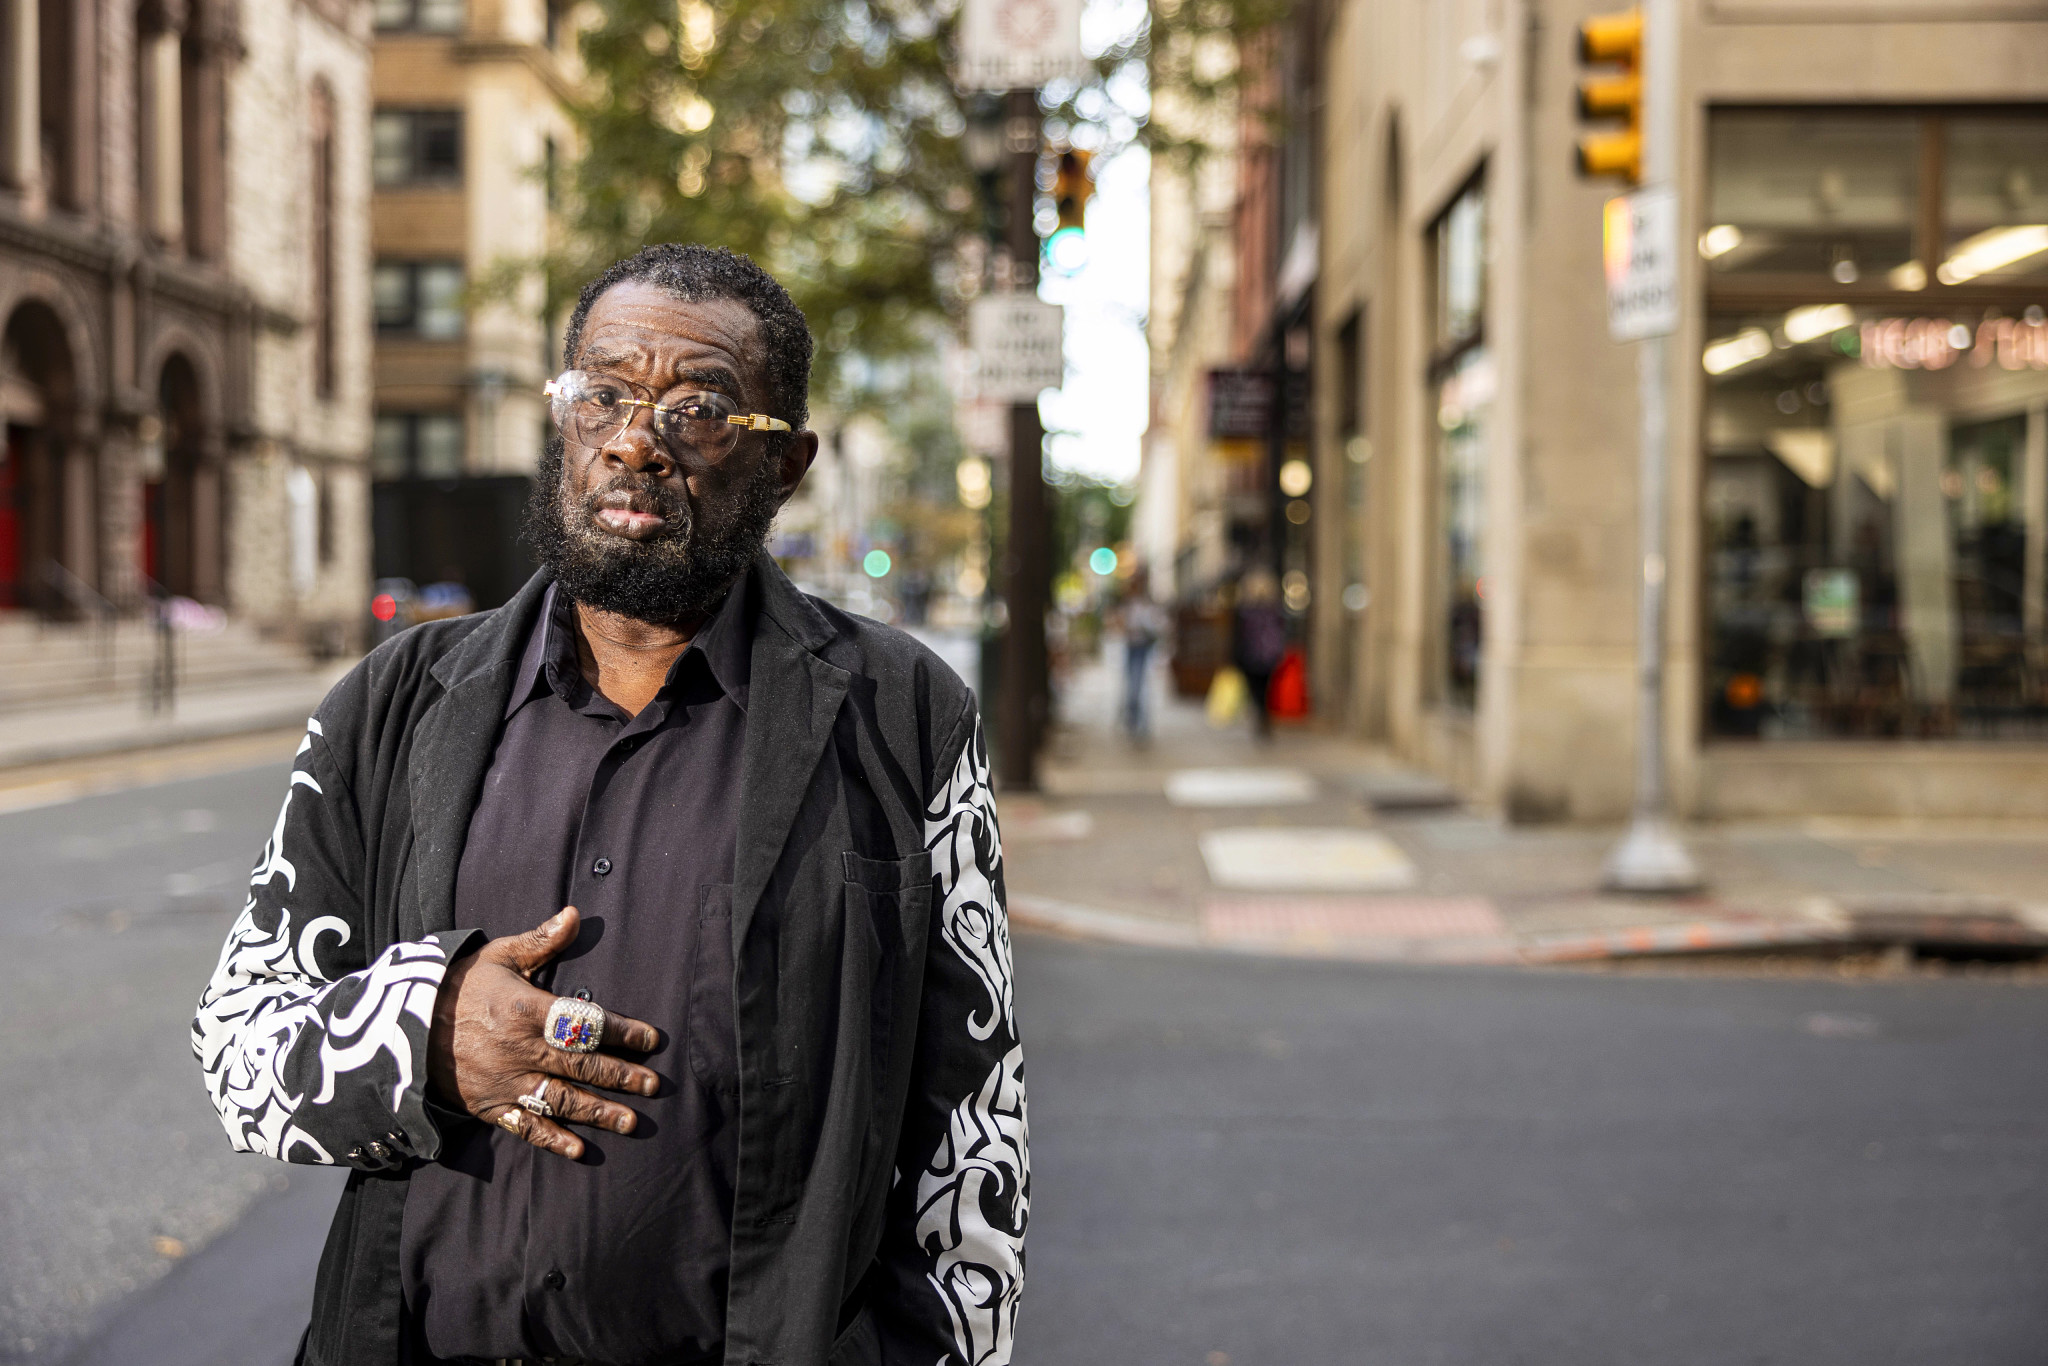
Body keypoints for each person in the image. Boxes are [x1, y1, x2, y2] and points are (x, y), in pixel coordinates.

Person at [192, 245, 1027, 1366]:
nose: (636, 440)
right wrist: (425, 1033)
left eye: (699, 409)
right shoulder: (392, 705)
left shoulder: (901, 716)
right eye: (602, 394)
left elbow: (974, 1125)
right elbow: (240, 1046)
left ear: (786, 467)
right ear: (563, 418)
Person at [1232, 567, 1286, 740]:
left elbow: (1238, 635)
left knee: (1258, 689)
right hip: (1263, 655)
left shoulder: (1248, 612)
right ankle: (1262, 716)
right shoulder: (1271, 611)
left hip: (1256, 655)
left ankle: (1261, 715)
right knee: (1262, 689)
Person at [1118, 572, 1165, 739]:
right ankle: (1133, 721)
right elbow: (1120, 625)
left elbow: (1158, 626)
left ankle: (1140, 724)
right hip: (1132, 648)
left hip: (1143, 648)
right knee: (1132, 685)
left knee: (1140, 687)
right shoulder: (1129, 604)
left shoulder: (1148, 605)